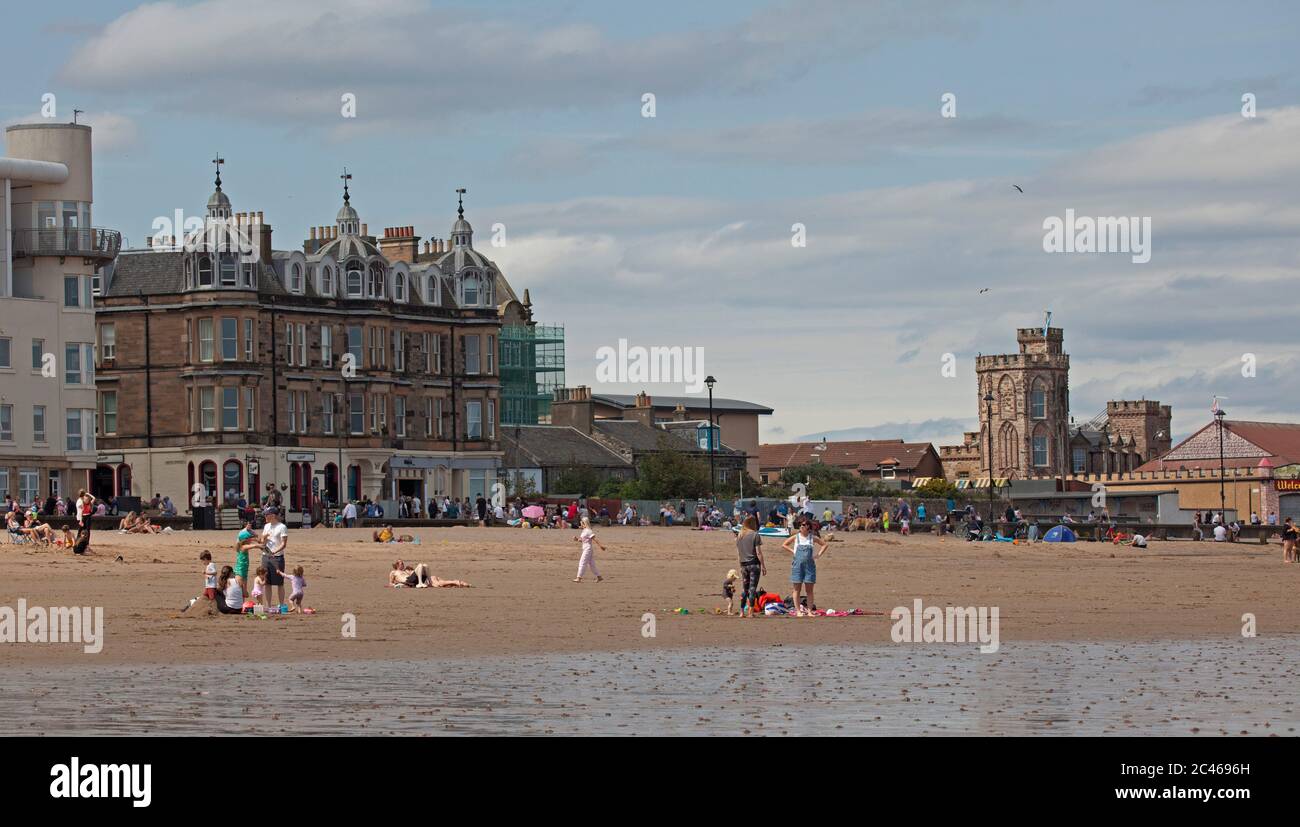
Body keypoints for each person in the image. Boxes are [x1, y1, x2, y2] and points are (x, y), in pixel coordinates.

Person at [782, 520, 828, 618]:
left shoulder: (812, 538)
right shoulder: (796, 537)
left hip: (810, 566)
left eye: (803, 525)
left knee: (809, 590)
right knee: (796, 589)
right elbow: (784, 544)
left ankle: (810, 611)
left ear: (808, 526)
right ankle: (798, 610)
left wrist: (818, 555)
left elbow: (824, 545)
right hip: (797, 566)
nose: (801, 527)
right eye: (800, 525)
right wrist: (793, 551)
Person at [259, 508, 289, 611]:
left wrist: (274, 552)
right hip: (265, 556)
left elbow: (284, 544)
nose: (265, 517)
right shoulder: (266, 526)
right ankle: (269, 605)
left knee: (280, 583)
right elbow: (262, 542)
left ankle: (281, 604)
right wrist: (264, 538)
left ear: (272, 515)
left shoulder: (282, 527)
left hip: (277, 557)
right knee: (267, 582)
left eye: (266, 515)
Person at [736, 516, 766, 617]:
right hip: (754, 564)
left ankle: (741, 612)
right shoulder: (755, 535)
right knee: (752, 588)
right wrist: (763, 566)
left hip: (743, 564)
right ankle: (751, 612)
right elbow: (758, 552)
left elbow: (739, 553)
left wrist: (740, 565)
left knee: (745, 589)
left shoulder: (739, 536)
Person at [389, 560, 471, 588]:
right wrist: (397, 585)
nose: (402, 564)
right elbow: (390, 583)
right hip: (408, 581)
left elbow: (414, 573)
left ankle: (456, 582)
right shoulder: (393, 572)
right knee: (421, 565)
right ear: (396, 565)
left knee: (424, 565)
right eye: (400, 563)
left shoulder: (406, 570)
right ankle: (456, 582)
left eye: (403, 563)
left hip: (414, 580)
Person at [573, 517, 605, 583]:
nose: (580, 524)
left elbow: (594, 539)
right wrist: (577, 539)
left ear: (584, 523)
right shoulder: (584, 530)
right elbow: (582, 540)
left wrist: (600, 546)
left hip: (588, 549)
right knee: (592, 564)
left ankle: (578, 578)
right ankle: (599, 577)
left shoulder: (588, 531)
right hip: (586, 548)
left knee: (582, 562)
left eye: (581, 523)